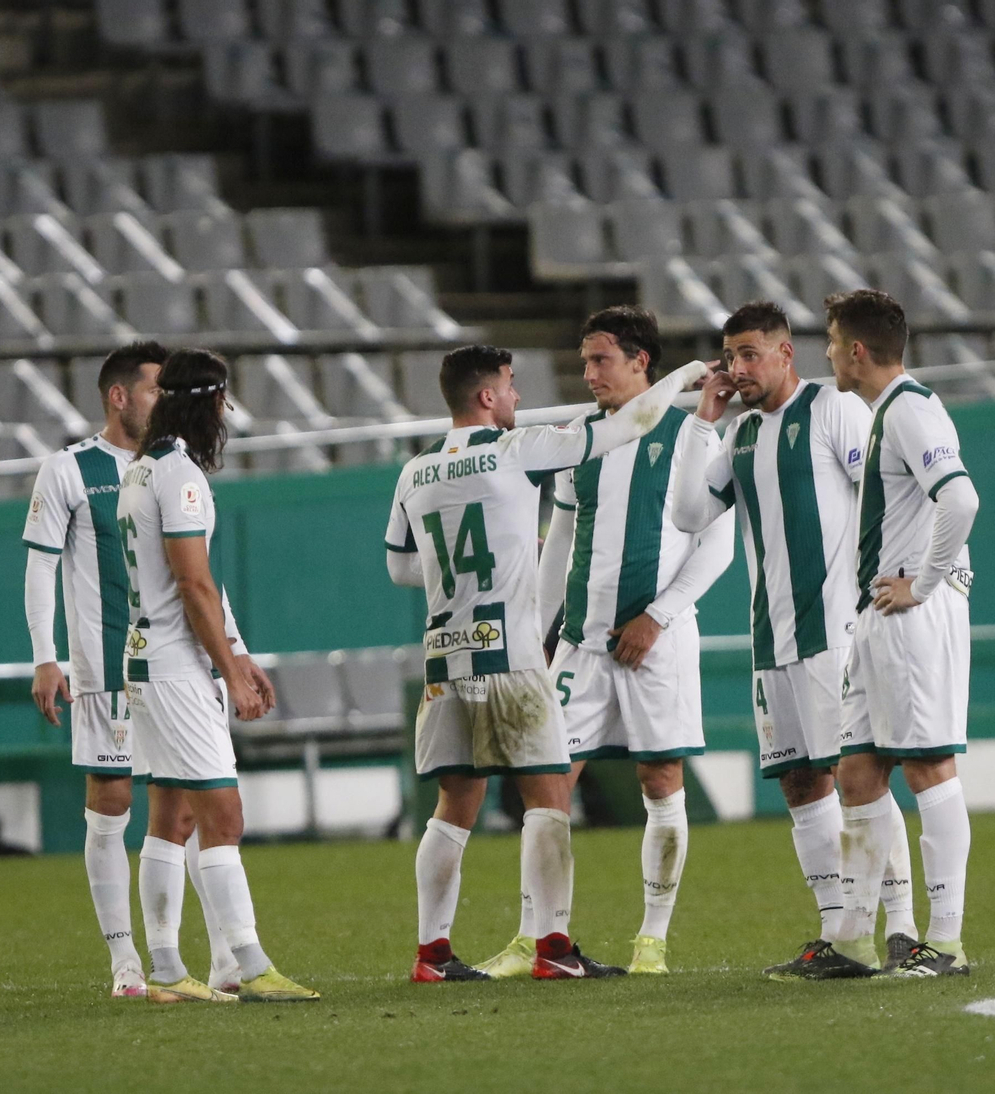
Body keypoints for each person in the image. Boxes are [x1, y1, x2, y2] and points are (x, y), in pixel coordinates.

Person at [386, 344, 711, 983]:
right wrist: (688, 377)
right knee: (548, 797)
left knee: (453, 804)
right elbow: (628, 425)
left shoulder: (414, 470)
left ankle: (433, 955)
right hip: (509, 653)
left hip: (444, 658)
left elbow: (400, 567)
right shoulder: (515, 449)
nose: (516, 398)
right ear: (485, 396)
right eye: (508, 387)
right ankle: (554, 950)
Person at [477, 308, 734, 979]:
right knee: (548, 785)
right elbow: (560, 540)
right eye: (586, 361)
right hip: (583, 646)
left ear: (641, 362)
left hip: (660, 641)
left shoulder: (692, 434)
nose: (588, 374)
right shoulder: (576, 441)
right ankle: (541, 940)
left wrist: (658, 615)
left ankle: (652, 939)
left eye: (601, 361)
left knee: (660, 778)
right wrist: (537, 634)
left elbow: (720, 542)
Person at [671, 301, 918, 981]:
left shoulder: (831, 410)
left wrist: (890, 589)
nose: (739, 369)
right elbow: (689, 512)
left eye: (752, 354)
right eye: (731, 357)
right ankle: (838, 933)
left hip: (833, 635)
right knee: (801, 783)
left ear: (787, 354)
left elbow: (885, 492)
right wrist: (704, 419)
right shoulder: (741, 434)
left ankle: (901, 929)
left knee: (858, 777)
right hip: (771, 639)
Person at [23, 341, 249, 998]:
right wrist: (45, 654)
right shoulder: (69, 469)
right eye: (153, 390)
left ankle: (204, 963)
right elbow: (40, 563)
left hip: (174, 661)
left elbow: (199, 576)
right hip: (103, 664)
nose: (164, 402)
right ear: (119, 395)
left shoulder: (165, 468)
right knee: (113, 803)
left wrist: (231, 651)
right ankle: (126, 959)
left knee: (182, 811)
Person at [116, 348, 311, 1003]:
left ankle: (171, 971)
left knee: (170, 819)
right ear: (211, 403)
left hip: (146, 658)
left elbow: (199, 584)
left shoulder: (142, 471)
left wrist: (236, 649)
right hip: (176, 668)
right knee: (223, 817)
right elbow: (193, 581)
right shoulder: (180, 477)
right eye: (223, 401)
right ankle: (248, 965)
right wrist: (229, 670)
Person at [821, 289, 979, 978]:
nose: (825, 353)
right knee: (855, 770)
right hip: (879, 616)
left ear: (857, 350)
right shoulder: (887, 412)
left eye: (830, 341)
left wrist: (927, 581)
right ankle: (854, 942)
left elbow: (961, 498)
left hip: (910, 612)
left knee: (928, 767)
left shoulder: (911, 409)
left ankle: (943, 942)